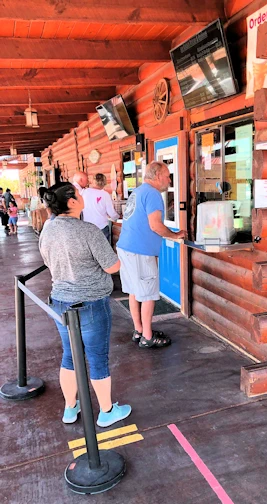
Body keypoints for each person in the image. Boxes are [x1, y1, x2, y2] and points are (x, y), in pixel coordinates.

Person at [39, 182, 131, 427]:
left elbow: (48, 261)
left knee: (70, 356)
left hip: (60, 302)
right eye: (78, 194)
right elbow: (112, 266)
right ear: (71, 202)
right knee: (97, 358)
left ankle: (70, 408)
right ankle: (107, 411)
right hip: (91, 304)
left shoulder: (48, 229)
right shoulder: (88, 231)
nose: (82, 197)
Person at [117, 161, 187, 349]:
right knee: (148, 294)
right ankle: (147, 336)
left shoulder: (139, 191)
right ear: (157, 176)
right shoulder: (153, 194)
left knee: (134, 291)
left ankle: (139, 329)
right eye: (167, 176)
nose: (169, 180)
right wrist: (174, 236)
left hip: (126, 247)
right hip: (140, 251)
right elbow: (155, 225)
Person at [82, 173, 119, 241]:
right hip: (101, 227)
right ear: (104, 183)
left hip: (88, 227)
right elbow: (111, 213)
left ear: (93, 181)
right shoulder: (105, 195)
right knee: (103, 250)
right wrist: (117, 217)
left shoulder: (85, 192)